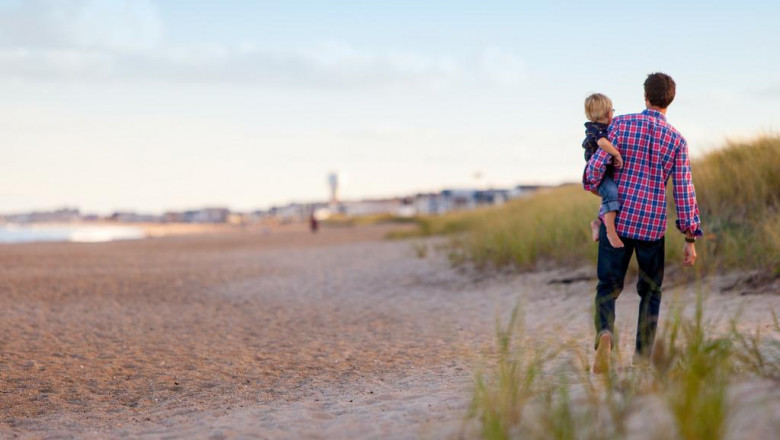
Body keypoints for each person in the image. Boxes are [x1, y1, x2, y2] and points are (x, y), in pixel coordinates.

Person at [583, 72, 703, 374]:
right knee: (650, 292)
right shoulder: (677, 140)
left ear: (645, 96)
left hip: (619, 222)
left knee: (607, 288)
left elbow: (595, 169)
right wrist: (690, 238)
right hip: (651, 226)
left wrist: (594, 183)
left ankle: (606, 334)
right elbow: (684, 190)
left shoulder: (620, 124)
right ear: (670, 100)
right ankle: (642, 358)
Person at [582, 93, 625, 248]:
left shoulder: (599, 127)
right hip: (597, 173)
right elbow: (602, 143)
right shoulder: (597, 129)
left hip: (603, 172)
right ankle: (610, 232)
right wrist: (616, 153)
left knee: (610, 196)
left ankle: (598, 224)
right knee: (611, 192)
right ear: (608, 113)